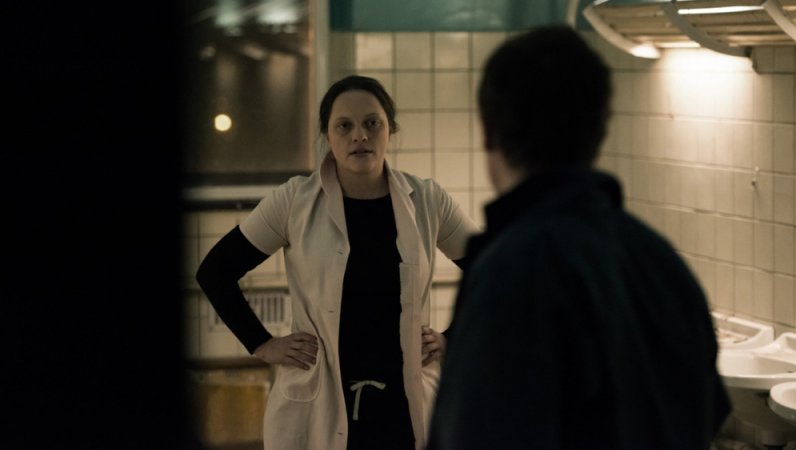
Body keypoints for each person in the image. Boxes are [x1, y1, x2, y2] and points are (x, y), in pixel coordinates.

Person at [426, 25, 731, 450]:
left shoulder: (512, 272)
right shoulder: (661, 261)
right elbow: (708, 411)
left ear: (489, 133)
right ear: (600, 129)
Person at [196, 74, 480, 450]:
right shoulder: (294, 201)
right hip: (317, 406)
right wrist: (261, 343)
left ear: (390, 130)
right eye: (344, 126)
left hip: (404, 407)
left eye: (372, 123)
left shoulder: (427, 200)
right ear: (327, 136)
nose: (359, 135)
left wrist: (453, 338)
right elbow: (215, 272)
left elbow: (491, 270)